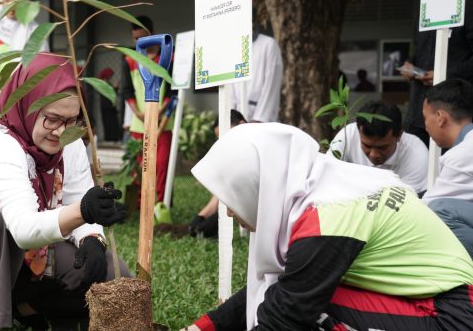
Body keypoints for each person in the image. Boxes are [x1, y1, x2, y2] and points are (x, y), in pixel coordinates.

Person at [182, 123, 473, 331]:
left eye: (232, 198)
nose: (231, 212)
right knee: (299, 291)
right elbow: (288, 287)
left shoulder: (326, 220)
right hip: (437, 299)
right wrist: (201, 327)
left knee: (311, 309)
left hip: (451, 316)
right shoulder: (335, 182)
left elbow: (286, 316)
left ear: (259, 184)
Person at [0, 53, 131, 331]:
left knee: (114, 277)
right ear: (26, 106)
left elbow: (79, 197)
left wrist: (91, 238)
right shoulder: (0, 145)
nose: (60, 132)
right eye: (51, 119)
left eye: (71, 120)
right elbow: (24, 228)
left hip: (29, 259)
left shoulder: (69, 142)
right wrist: (84, 212)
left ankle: (24, 310)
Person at [399, 0, 473, 146]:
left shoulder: (467, 11)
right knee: (416, 157)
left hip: (454, 111)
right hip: (420, 110)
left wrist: (444, 74)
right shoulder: (423, 15)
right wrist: (410, 66)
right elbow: (420, 50)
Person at [120, 15, 174, 204]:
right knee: (140, 166)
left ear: (151, 33)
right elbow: (126, 91)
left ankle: (158, 202)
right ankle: (142, 203)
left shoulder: (168, 56)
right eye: (135, 39)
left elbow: (172, 89)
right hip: (139, 123)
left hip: (163, 122)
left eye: (142, 37)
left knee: (160, 164)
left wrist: (159, 112)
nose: (139, 42)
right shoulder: (129, 60)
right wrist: (139, 114)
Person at [0, 0, 49, 121]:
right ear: (1, 2)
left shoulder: (36, 33)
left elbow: (45, 72)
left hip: (27, 103)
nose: (12, 3)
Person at [328, 101, 428, 194]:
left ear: (399, 136)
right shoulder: (347, 135)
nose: (373, 155)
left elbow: (409, 203)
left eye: (383, 147)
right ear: (358, 131)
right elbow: (327, 176)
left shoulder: (417, 155)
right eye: (367, 146)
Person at [421, 78, 473, 259]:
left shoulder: (462, 153)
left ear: (440, 118)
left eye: (425, 117)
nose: (425, 126)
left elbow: (426, 209)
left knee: (439, 210)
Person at [188, 109, 247, 238]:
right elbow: (223, 191)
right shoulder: (235, 152)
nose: (224, 143)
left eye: (227, 136)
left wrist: (218, 218)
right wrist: (202, 216)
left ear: (242, 125)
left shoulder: (256, 146)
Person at [229, 0, 283, 123]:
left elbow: (272, 86)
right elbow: (230, 90)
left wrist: (258, 120)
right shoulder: (233, 48)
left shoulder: (268, 45)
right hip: (236, 121)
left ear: (252, 22)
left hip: (259, 118)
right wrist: (231, 118)